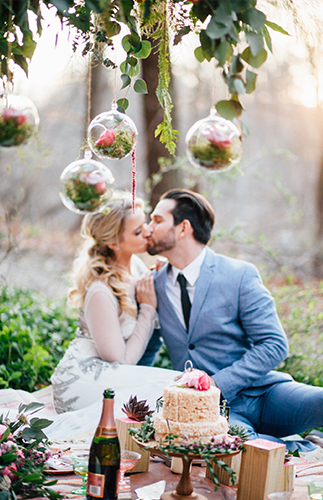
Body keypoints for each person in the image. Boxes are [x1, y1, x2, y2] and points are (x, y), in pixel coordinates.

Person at [145, 188, 323, 452]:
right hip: (211, 412)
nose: (148, 228)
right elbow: (146, 354)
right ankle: (308, 449)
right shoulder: (152, 286)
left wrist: (218, 383)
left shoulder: (238, 274)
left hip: (265, 393)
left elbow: (274, 344)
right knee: (248, 452)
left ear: (183, 228)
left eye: (157, 220)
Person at [51, 191, 180, 414]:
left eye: (146, 223)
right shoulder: (100, 290)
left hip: (112, 375)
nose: (149, 232)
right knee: (169, 390)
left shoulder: (137, 265)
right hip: (84, 379)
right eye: (138, 231)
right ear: (113, 242)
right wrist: (148, 308)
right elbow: (120, 361)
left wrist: (162, 274)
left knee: (178, 387)